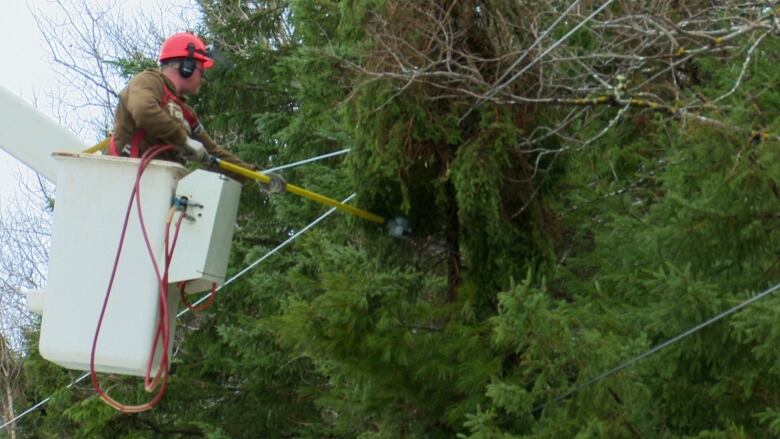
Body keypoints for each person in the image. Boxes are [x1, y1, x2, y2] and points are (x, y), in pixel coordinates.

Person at [108, 32, 260, 184]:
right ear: (186, 67)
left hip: (159, 184)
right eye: (201, 71)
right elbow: (144, 111)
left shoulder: (186, 113)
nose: (203, 79)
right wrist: (183, 140)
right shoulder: (149, 81)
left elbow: (213, 153)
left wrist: (255, 175)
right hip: (124, 178)